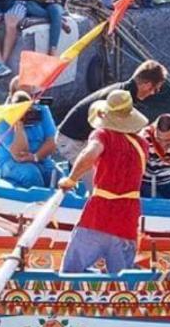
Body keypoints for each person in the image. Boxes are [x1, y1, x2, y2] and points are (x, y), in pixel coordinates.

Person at [58, 89, 149, 274]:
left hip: (99, 214)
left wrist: (71, 179)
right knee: (122, 279)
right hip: (128, 217)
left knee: (71, 272)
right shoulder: (142, 144)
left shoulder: (103, 135)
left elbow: (90, 153)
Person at [56, 60, 166, 178]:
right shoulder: (122, 100)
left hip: (83, 137)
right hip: (73, 140)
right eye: (156, 89)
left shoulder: (122, 93)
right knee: (100, 183)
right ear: (147, 85)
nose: (154, 93)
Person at [0, 91, 58, 188]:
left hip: (39, 158)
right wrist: (19, 124)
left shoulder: (41, 110)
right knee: (31, 174)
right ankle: (37, 200)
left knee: (58, 176)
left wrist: (35, 157)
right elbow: (19, 154)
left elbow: (53, 143)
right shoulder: (1, 118)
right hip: (10, 162)